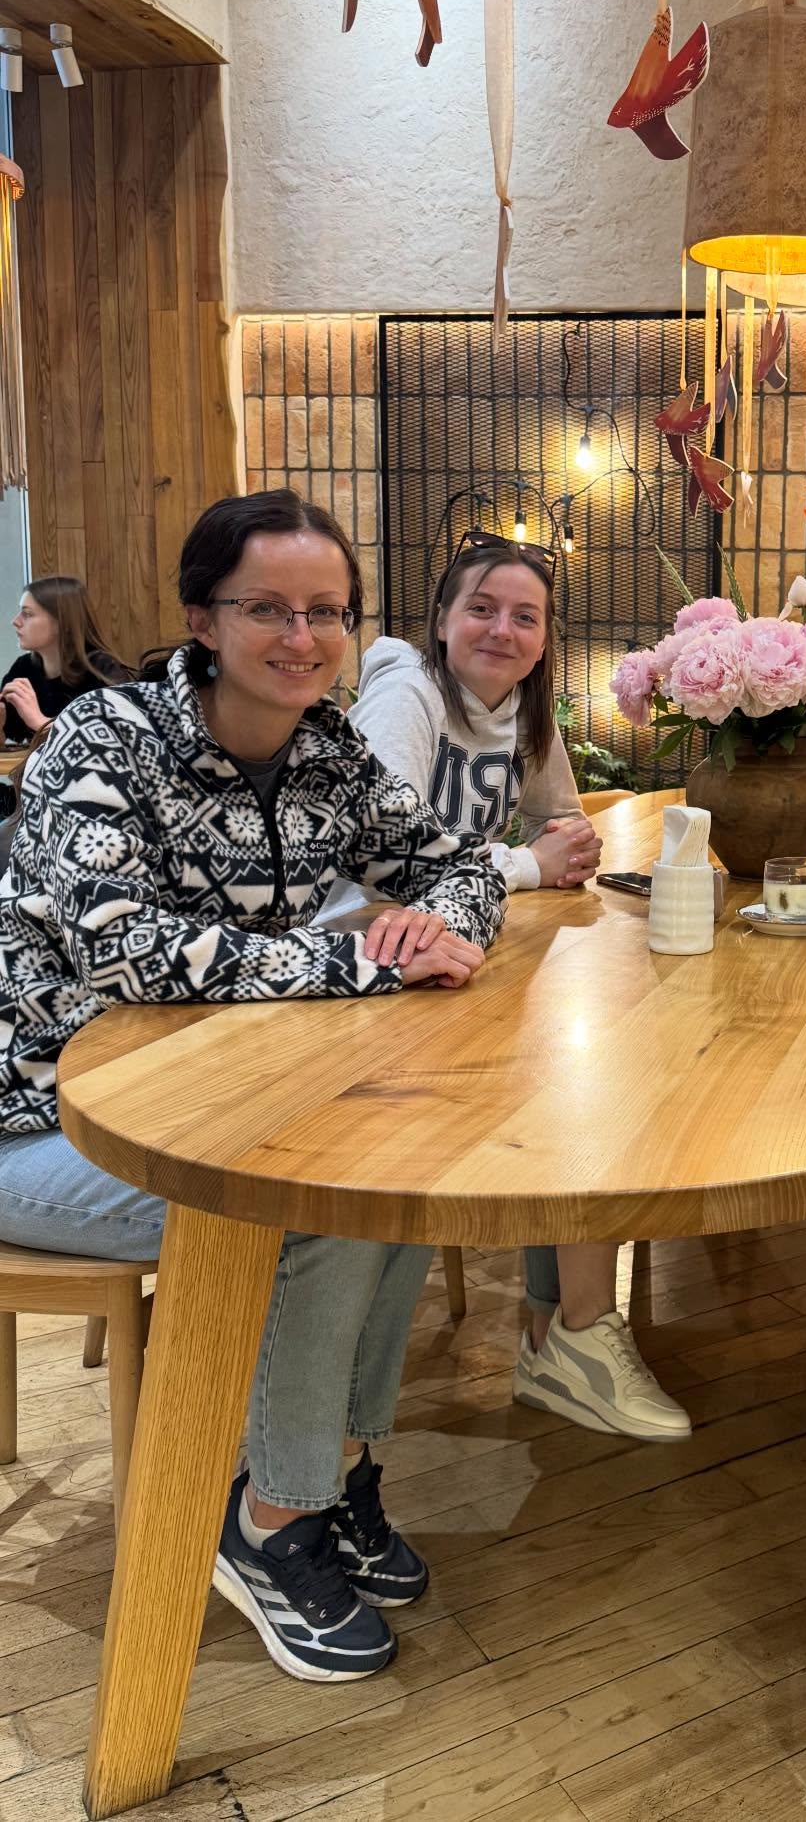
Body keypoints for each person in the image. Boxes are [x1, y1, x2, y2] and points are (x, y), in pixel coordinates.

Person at [0, 490, 506, 1684]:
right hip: (40, 1119)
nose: (302, 636)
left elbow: (461, 865)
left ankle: (339, 1473)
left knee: (397, 1170)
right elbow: (127, 951)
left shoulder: (329, 753)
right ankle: (273, 1518)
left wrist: (433, 924)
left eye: (328, 611)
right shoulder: (107, 738)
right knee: (319, 1200)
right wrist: (363, 964)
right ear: (202, 619)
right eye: (267, 608)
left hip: (210, 1100)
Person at [335, 531, 692, 1441]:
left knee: (582, 1070)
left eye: (524, 617)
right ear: (441, 621)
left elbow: (561, 825)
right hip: (362, 968)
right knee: (576, 1087)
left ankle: (561, 1330)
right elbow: (380, 863)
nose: (502, 630)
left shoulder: (523, 711)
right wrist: (527, 866)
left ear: (543, 641)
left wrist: (549, 851)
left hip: (453, 958)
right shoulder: (406, 695)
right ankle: (568, 1334)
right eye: (482, 609)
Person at [2, 575, 131, 746]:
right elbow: (7, 739)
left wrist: (39, 721)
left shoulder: (103, 670)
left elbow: (111, 742)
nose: (15, 621)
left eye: (27, 614)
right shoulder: (23, 668)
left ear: (61, 621)